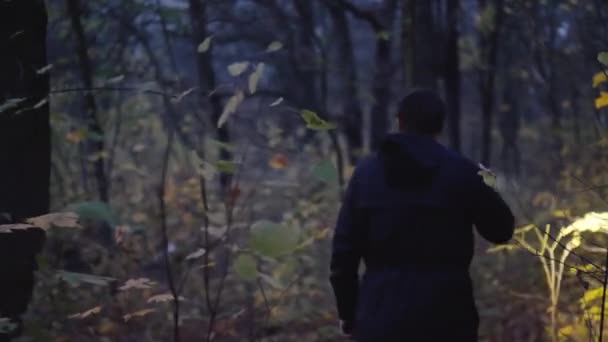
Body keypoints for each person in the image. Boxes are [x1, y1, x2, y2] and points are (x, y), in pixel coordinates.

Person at [329, 89, 514, 341]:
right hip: (448, 315)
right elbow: (502, 231)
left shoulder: (366, 174)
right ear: (440, 125)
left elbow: (343, 253)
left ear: (400, 121)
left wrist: (349, 313)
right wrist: (488, 184)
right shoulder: (463, 171)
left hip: (380, 313)